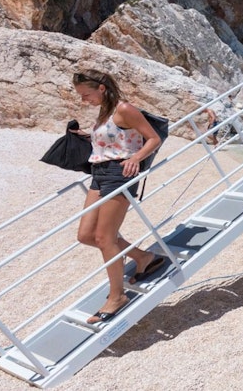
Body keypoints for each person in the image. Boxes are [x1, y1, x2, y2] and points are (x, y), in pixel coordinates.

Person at [72, 69, 165, 324]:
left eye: (86, 94)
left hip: (118, 173)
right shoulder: (105, 113)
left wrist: (135, 158)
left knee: (104, 237)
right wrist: (84, 136)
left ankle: (117, 296)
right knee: (86, 235)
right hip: (99, 173)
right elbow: (113, 140)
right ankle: (143, 257)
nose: (84, 100)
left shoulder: (124, 109)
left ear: (101, 88)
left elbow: (153, 138)